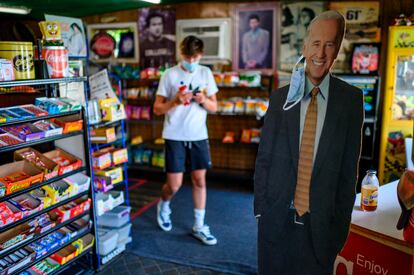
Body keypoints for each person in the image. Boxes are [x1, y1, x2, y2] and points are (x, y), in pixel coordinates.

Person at [254, 10, 364, 274]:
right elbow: (264, 157)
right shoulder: (281, 98)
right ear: (304, 46)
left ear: (337, 49)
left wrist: (340, 227)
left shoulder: (351, 101)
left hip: (322, 229)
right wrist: (261, 209)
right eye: (316, 43)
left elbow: (349, 172)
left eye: (329, 44)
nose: (321, 52)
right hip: (276, 220)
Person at [153, 35, 218, 246]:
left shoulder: (205, 72)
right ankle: (164, 205)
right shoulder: (169, 74)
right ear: (181, 54)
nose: (192, 60)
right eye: (188, 56)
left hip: (199, 135)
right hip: (174, 135)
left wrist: (203, 100)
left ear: (200, 55)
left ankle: (199, 225)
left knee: (200, 180)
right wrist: (174, 102)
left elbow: (214, 107)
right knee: (174, 185)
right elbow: (157, 109)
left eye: (196, 56)